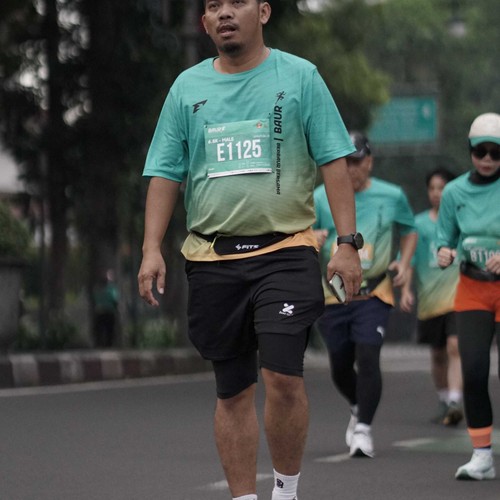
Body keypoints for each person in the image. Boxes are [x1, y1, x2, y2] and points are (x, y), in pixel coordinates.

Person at [137, 2, 362, 499]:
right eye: (213, 5)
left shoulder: (300, 77)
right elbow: (165, 173)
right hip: (212, 259)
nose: (224, 13)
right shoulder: (186, 88)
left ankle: (285, 491)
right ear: (204, 22)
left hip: (285, 251)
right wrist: (151, 248)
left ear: (262, 12)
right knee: (233, 389)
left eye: (236, 2)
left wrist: (347, 243)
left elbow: (333, 161)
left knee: (283, 377)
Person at [314, 131, 417, 458]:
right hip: (334, 294)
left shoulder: (392, 195)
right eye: (344, 162)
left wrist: (404, 262)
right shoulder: (320, 197)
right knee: (339, 365)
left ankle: (363, 429)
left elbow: (409, 229)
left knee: (368, 355)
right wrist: (312, 238)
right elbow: (304, 233)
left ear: (369, 162)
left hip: (374, 292)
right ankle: (358, 405)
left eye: (356, 161)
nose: (350, 169)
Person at [437, 112, 500, 481]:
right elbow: (444, 239)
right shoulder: (454, 192)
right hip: (472, 288)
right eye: (481, 151)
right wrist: (444, 253)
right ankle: (482, 456)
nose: (488, 159)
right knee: (474, 372)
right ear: (470, 151)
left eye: (496, 152)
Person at [400, 168, 463, 427]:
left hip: (458, 298)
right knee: (438, 355)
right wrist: (406, 289)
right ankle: (444, 399)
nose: (437, 193)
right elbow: (409, 260)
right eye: (432, 188)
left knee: (455, 346)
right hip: (430, 302)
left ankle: (455, 401)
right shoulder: (419, 224)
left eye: (442, 188)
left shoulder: (461, 222)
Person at [92, 269, 120, 348]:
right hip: (109, 311)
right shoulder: (111, 288)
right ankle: (108, 345)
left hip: (100, 311)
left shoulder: (97, 288)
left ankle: (100, 344)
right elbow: (115, 299)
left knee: (100, 329)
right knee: (109, 329)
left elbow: (95, 299)